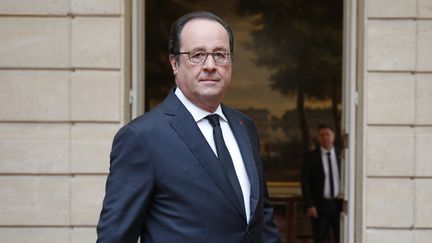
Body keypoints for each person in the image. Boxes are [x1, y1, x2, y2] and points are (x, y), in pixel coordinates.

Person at [96, 11, 281, 243]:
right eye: (197, 55)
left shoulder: (245, 127)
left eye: (220, 54)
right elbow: (115, 237)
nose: (211, 65)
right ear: (174, 63)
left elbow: (261, 216)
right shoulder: (142, 137)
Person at [301, 124, 341, 243]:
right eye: (321, 135)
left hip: (339, 205)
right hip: (320, 206)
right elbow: (305, 182)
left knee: (342, 237)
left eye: (327, 134)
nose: (325, 138)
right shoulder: (310, 157)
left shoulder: (343, 155)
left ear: (333, 136)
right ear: (318, 138)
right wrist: (310, 205)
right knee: (319, 238)